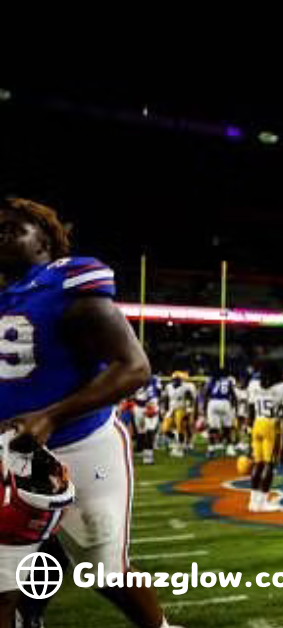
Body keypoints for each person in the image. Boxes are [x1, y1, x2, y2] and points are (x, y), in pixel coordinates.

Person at [0, 197, 180, 627]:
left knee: (104, 567)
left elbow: (134, 367)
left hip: (81, 447)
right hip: (9, 454)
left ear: (44, 239)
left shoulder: (65, 282)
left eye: (12, 228)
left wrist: (51, 416)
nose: (0, 235)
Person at [248, 361, 283, 513]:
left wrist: (248, 429)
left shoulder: (253, 384)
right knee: (269, 464)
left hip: (257, 423)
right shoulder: (282, 387)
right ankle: (262, 502)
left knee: (257, 463)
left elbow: (250, 409)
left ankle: (252, 501)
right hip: (271, 425)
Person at [203, 368, 238, 456]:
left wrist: (204, 407)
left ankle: (211, 449)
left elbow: (206, 393)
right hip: (225, 403)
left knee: (212, 429)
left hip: (213, 402)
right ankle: (230, 448)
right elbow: (233, 395)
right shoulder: (228, 381)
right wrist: (234, 408)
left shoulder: (212, 380)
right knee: (227, 428)